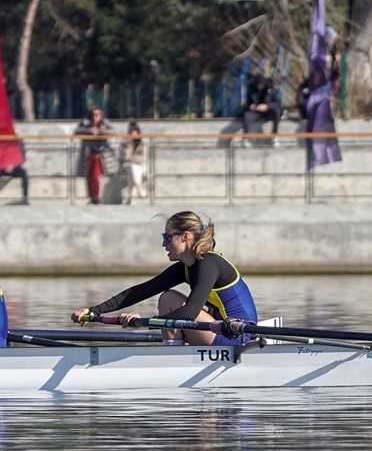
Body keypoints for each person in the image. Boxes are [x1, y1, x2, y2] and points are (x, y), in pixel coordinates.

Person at [70, 211, 259, 346]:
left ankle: (172, 355)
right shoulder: (185, 268)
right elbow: (140, 291)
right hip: (216, 331)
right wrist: (94, 311)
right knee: (168, 297)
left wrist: (144, 322)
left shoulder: (209, 264)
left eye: (167, 237)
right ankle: (172, 351)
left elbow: (189, 313)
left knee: (170, 300)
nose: (163, 243)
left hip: (236, 337)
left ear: (185, 237)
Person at [74, 107, 115, 204]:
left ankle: (96, 197)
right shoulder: (85, 123)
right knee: (88, 177)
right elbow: (76, 131)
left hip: (100, 154)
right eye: (93, 114)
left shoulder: (105, 123)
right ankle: (92, 197)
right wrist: (90, 130)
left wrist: (100, 131)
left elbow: (112, 131)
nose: (95, 116)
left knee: (96, 177)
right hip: (88, 154)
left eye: (97, 114)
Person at [240, 74, 281, 146]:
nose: (260, 86)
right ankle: (246, 138)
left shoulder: (270, 89)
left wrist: (267, 106)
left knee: (277, 111)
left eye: (261, 84)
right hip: (255, 112)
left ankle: (274, 135)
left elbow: (277, 103)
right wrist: (250, 106)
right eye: (258, 85)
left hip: (268, 111)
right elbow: (246, 104)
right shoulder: (251, 90)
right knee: (246, 115)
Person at [120, 121, 147, 202]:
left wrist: (133, 159)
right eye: (131, 131)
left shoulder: (143, 141)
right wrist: (129, 146)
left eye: (135, 131)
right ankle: (140, 189)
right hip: (128, 164)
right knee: (132, 168)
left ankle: (131, 196)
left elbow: (144, 157)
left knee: (133, 174)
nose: (133, 133)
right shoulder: (125, 141)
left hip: (140, 164)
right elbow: (125, 157)